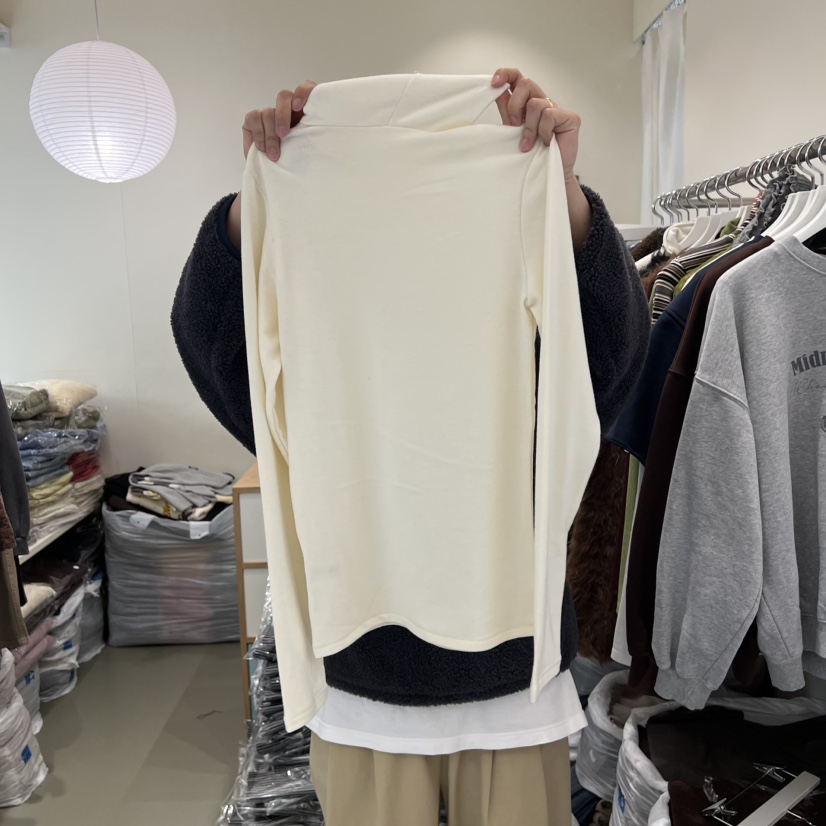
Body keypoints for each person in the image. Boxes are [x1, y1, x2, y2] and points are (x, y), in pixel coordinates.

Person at [172, 68, 649, 826]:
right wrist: (254, 209)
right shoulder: (305, 209)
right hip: (366, 679)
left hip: (509, 682)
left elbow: (605, 376)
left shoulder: (519, 192)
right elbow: (226, 363)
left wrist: (563, 196)